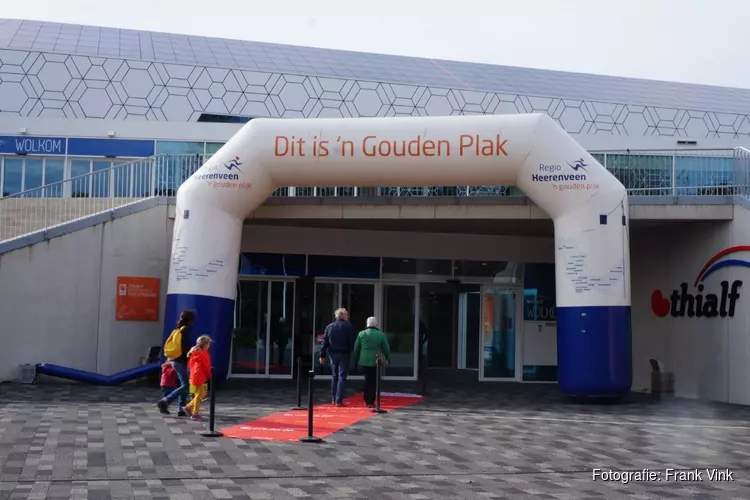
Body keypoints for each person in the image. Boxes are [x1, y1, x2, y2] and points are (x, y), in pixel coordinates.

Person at [157, 310, 194, 416]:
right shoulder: (185, 330)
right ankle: (165, 401)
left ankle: (181, 408)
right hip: (180, 360)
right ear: (191, 319)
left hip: (173, 359)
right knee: (186, 385)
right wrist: (190, 359)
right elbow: (186, 348)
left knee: (184, 384)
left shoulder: (177, 329)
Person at [319, 308, 357, 406]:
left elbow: (324, 342)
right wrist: (355, 352)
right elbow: (353, 341)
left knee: (334, 376)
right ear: (342, 315)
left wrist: (322, 355)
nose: (348, 316)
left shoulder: (329, 327)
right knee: (342, 377)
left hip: (333, 354)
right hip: (344, 354)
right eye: (346, 314)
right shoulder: (348, 326)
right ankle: (338, 400)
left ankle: (333, 398)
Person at [353, 317, 392, 408]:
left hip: (363, 361)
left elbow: (356, 349)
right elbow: (386, 349)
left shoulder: (361, 334)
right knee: (373, 381)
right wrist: (388, 360)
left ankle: (366, 400)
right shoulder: (381, 335)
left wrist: (356, 360)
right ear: (376, 324)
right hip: (375, 362)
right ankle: (371, 400)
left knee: (367, 380)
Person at [183, 335, 212, 421]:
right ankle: (194, 413)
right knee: (199, 395)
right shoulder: (204, 354)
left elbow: (189, 365)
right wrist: (210, 376)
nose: (209, 346)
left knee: (199, 394)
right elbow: (207, 366)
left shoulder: (194, 353)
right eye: (208, 344)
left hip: (193, 376)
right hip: (200, 376)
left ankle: (188, 408)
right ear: (205, 344)